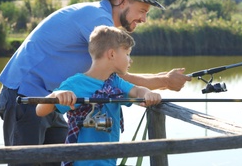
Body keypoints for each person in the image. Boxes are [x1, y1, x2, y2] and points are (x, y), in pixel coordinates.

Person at [0, 0, 190, 165]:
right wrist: (164, 81)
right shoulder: (98, 20)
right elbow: (117, 76)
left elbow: (113, 78)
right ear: (123, 1)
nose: (144, 19)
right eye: (142, 10)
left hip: (53, 100)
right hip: (25, 97)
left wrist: (163, 79)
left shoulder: (99, 18)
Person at [36, 25, 161, 166]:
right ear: (112, 54)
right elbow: (40, 110)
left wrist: (148, 93)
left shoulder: (116, 82)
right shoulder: (76, 83)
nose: (130, 60)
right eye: (127, 54)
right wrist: (56, 95)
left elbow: (137, 91)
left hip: (109, 161)